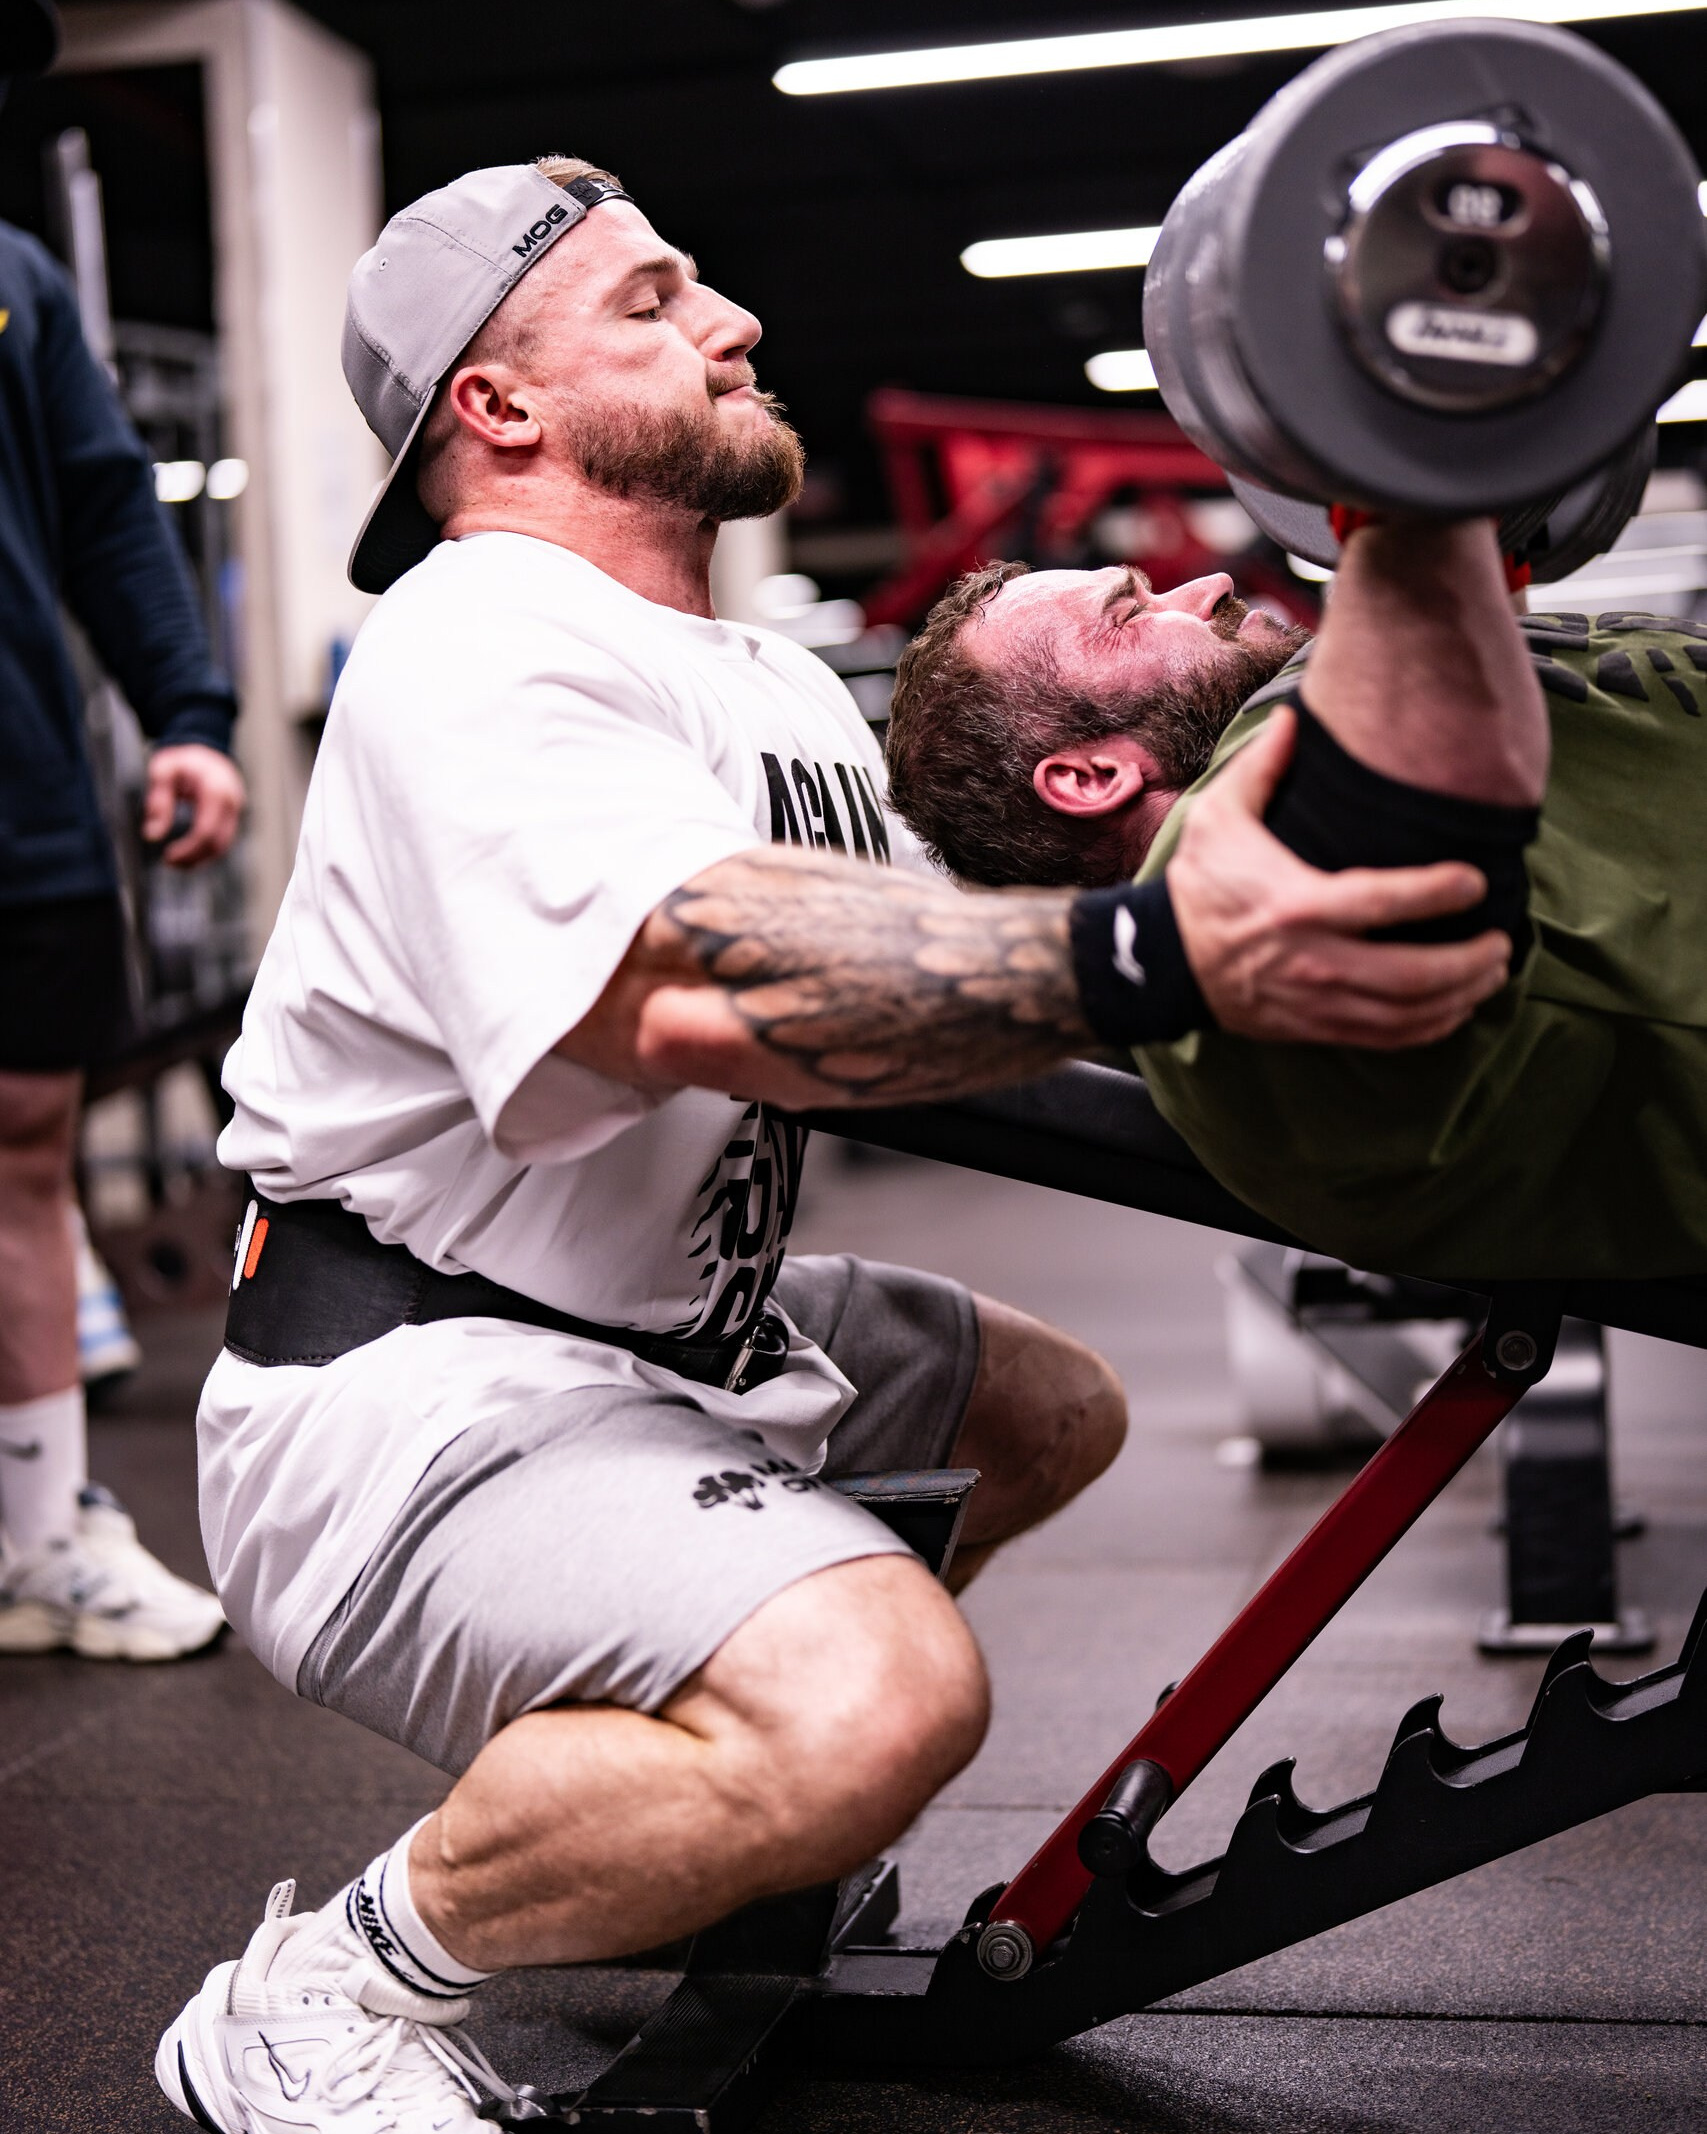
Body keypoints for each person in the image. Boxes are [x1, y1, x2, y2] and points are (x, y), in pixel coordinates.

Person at [156, 157, 1513, 2132]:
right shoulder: (482, 645)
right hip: (411, 1397)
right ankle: (332, 1984)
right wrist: (1149, 945)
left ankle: (724, 1820)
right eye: (649, 303)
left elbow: (926, 988)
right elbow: (686, 981)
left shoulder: (768, 678)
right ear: (497, 406)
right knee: (878, 1699)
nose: (731, 325)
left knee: (1037, 1405)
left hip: (663, 1332)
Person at [884, 534, 1707, 1281]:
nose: (1205, 585)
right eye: (1130, 612)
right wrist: (1405, 496)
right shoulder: (1243, 883)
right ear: (1092, 777)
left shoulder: (1318, 751)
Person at [0, 0, 241, 1662]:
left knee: (25, 1147)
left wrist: (189, 715)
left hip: (19, 796)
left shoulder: (16, 276)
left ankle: (38, 1531)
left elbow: (105, 510)